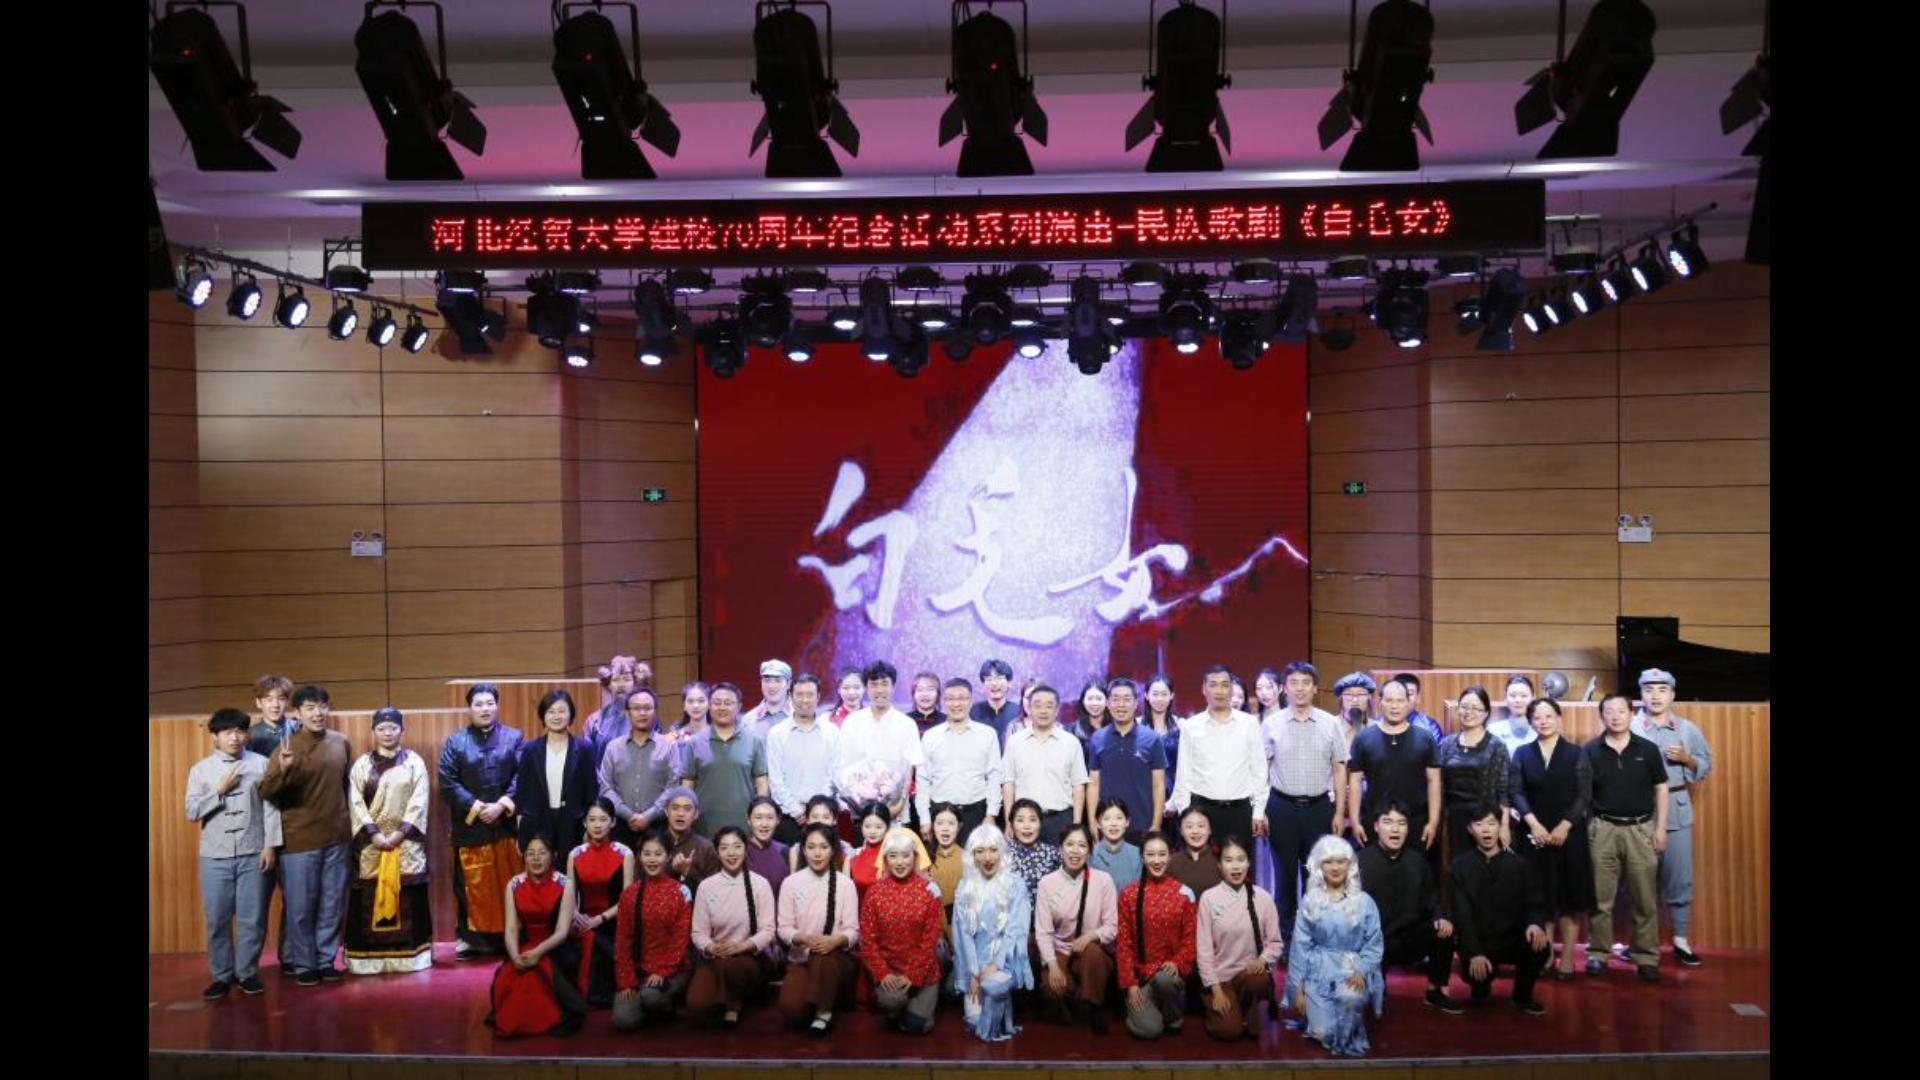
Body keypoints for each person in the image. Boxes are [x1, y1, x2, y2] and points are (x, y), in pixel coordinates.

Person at [260, 685, 353, 986]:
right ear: (297, 713)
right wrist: (283, 771)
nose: (318, 713)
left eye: (323, 706)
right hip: (299, 840)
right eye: (310, 708)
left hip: (337, 837)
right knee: (300, 908)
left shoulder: (340, 742)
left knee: (332, 904)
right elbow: (267, 792)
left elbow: (346, 787)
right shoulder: (286, 747)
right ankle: (303, 963)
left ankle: (325, 960)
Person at [186, 707, 281, 999]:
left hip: (254, 852)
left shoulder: (261, 764)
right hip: (215, 856)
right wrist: (219, 790)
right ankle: (221, 976)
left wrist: (270, 845)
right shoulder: (200, 770)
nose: (235, 737)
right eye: (227, 732)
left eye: (240, 731)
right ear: (215, 736)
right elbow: (191, 811)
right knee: (217, 918)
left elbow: (271, 807)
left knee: (252, 918)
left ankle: (247, 973)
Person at [1631, 667, 1713, 967]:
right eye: (1649, 690)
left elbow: (1706, 765)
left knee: (1679, 879)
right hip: (1638, 811)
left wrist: (1687, 759)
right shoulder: (1630, 725)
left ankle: (1680, 940)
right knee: (1639, 882)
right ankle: (1642, 943)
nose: (1655, 695)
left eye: (1662, 690)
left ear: (1672, 695)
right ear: (1641, 695)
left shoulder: (1687, 729)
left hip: (1677, 811)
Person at [1585, 691, 1670, 982]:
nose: (1615, 716)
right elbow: (1582, 794)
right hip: (1603, 829)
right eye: (1609, 711)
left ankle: (1646, 957)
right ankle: (1598, 954)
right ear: (1601, 716)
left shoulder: (1648, 749)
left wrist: (1660, 828)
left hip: (1641, 829)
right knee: (1600, 899)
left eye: (1621, 711)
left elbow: (1661, 787)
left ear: (1632, 714)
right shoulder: (1590, 750)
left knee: (1644, 899)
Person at [344, 707, 433, 976]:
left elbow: (419, 800)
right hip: (371, 845)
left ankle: (412, 957)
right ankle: (366, 959)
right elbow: (355, 803)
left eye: (393, 728)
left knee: (409, 897)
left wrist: (398, 834)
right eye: (381, 728)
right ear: (373, 731)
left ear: (402, 731)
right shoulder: (362, 765)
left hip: (406, 844)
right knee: (367, 897)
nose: (387, 733)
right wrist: (374, 833)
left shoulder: (414, 762)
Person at [1262, 661, 1349, 934]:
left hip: (1319, 808)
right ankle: (1285, 938)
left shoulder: (1330, 723)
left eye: (1306, 683)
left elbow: (1340, 768)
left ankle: (1315, 935)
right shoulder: (1271, 724)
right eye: (1294, 683)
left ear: (1315, 688)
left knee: (1317, 876)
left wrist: (1339, 813)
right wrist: (1260, 811)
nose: (1299, 689)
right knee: (1284, 878)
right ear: (1284, 688)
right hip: (1281, 808)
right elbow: (1261, 770)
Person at [1510, 697, 1594, 980]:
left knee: (1570, 897)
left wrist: (1564, 826)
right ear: (1530, 722)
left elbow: (1584, 794)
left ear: (1559, 718)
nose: (1543, 721)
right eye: (1537, 717)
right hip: (1534, 834)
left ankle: (1568, 957)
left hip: (1569, 833)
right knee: (1540, 898)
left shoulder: (1576, 753)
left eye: (1549, 716)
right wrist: (1533, 824)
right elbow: (1516, 791)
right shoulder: (1522, 753)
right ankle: (1544, 954)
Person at [441, 683, 525, 961]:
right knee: (471, 886)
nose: (485, 709)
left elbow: (523, 775)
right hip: (471, 827)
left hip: (506, 826)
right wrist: (477, 807)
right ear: (469, 708)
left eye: (490, 703)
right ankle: (470, 939)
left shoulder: (514, 737)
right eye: (478, 704)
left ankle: (512, 936)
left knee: (509, 882)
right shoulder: (456, 742)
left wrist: (502, 805)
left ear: (497, 706)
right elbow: (447, 782)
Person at [1284, 836, 1385, 1057]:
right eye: (1328, 862)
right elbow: (1300, 948)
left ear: (1350, 865)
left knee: (1348, 1000)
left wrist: (1362, 970)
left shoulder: (1364, 901)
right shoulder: (1310, 901)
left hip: (1352, 969)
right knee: (1323, 1033)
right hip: (1318, 972)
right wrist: (1297, 989)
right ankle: (1318, 1013)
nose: (1335, 867)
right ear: (1319, 866)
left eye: (1340, 861)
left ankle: (1351, 1019)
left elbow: (1374, 943)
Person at [1448, 804, 1551, 1014]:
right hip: (1478, 941)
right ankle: (1481, 985)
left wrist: (1534, 923)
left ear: (1500, 827)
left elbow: (1533, 901)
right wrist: (1475, 952)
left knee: (1539, 946)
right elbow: (1462, 913)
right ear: (1470, 829)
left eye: (1491, 823)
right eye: (1479, 824)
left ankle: (1522, 996)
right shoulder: (1459, 867)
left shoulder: (1519, 865)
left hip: (1510, 939)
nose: (1486, 830)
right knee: (1479, 987)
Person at [1357, 805, 1461, 1013]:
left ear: (1408, 828)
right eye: (1388, 822)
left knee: (1443, 930)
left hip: (1409, 938)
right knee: (1371, 999)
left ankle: (1435, 991)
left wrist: (1440, 917)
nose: (1395, 829)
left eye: (1401, 823)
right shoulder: (1360, 861)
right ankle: (1375, 985)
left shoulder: (1418, 862)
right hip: (1373, 942)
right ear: (1376, 826)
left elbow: (1432, 900)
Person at [487, 835, 586, 1037]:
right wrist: (515, 956)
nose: (536, 858)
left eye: (542, 853)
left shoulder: (565, 884)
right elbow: (511, 928)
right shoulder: (514, 884)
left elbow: (562, 931)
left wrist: (537, 953)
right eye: (530, 854)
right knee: (516, 975)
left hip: (555, 946)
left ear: (553, 856)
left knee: (541, 972)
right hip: (525, 945)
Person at [859, 825, 947, 1035]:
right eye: (893, 856)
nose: (900, 862)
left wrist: (912, 974)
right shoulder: (874, 893)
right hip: (890, 969)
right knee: (893, 1000)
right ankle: (897, 1009)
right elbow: (868, 939)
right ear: (886, 859)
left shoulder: (929, 891)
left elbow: (930, 940)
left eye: (905, 856)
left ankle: (911, 1010)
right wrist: (883, 972)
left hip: (923, 969)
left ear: (914, 858)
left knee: (918, 1026)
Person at [687, 826, 779, 1027]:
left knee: (733, 967)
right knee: (697, 1005)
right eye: (725, 848)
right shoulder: (706, 886)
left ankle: (734, 1004)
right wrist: (710, 947)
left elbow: (768, 930)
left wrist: (742, 946)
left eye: (737, 846)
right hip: (716, 955)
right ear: (717, 852)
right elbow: (698, 932)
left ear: (745, 850)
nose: (731, 853)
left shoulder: (760, 884)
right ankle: (731, 994)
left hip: (748, 956)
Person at [951, 823, 1034, 1042]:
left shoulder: (1016, 885)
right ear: (972, 855)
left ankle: (1002, 997)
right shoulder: (965, 887)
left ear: (1002, 852)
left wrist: (996, 965)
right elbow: (963, 935)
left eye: (993, 850)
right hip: (975, 966)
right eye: (980, 851)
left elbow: (1016, 931)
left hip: (1004, 962)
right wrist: (974, 973)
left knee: (994, 991)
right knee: (975, 1022)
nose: (987, 858)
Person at [1168, 666, 1267, 849]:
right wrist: (1186, 815)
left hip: (1240, 811)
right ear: (1204, 689)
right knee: (1202, 866)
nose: (1219, 691)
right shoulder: (1191, 726)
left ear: (1231, 689)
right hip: (1202, 811)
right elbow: (1184, 775)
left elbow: (1259, 771)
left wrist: (1258, 811)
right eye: (1213, 685)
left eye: (1224, 685)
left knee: (1240, 866)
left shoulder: (1249, 724)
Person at [777, 823, 862, 1034]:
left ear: (832, 850)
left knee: (822, 955)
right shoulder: (790, 883)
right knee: (792, 1011)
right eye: (811, 847)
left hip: (834, 959)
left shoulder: (845, 884)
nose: (817, 853)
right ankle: (821, 999)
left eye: (823, 847)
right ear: (803, 850)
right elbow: (783, 928)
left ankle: (824, 1011)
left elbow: (853, 931)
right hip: (801, 959)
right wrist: (802, 937)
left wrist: (835, 941)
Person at [1034, 824, 1119, 1034]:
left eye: (1082, 845)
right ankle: (1078, 999)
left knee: (1093, 953)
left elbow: (1112, 926)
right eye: (1069, 844)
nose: (1075, 850)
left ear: (1089, 851)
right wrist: (1052, 965)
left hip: (1090, 953)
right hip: (1060, 951)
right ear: (1060, 848)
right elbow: (1043, 932)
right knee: (1052, 990)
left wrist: (1091, 936)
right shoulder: (1047, 883)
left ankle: (1095, 1005)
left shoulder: (1103, 880)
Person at [1196, 836, 1283, 1041]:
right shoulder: (1209, 898)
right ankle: (1223, 1010)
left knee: (1258, 979)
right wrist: (1216, 990)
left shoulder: (1262, 897)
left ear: (1249, 863)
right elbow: (1204, 951)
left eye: (1241, 859)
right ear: (1220, 865)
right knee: (1230, 1032)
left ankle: (1246, 1008)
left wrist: (1263, 959)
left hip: (1248, 976)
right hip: (1220, 980)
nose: (1235, 866)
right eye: (1229, 860)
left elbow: (1275, 943)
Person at [1346, 679, 1441, 862]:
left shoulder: (1425, 738)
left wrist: (1433, 821)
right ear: (1379, 702)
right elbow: (1355, 781)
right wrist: (1355, 821)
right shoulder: (1364, 738)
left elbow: (1434, 782)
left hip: (1416, 822)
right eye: (1389, 700)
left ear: (1408, 702)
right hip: (1376, 821)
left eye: (1400, 700)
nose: (1394, 706)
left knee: (1415, 873)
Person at [1115, 833, 1197, 1040]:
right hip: (1141, 975)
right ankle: (1146, 1007)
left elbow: (1190, 938)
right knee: (1149, 1030)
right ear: (1142, 857)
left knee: (1164, 980)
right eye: (1150, 854)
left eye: (1162, 854)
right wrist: (1130, 984)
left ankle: (1173, 1011)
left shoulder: (1184, 893)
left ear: (1170, 856)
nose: (1157, 860)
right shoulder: (1129, 894)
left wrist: (1178, 961)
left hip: (1168, 974)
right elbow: (1123, 943)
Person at [612, 832, 694, 1031]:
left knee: (651, 997)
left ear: (668, 857)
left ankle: (665, 1006)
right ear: (639, 857)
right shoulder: (629, 894)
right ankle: (645, 1005)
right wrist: (626, 980)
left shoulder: (680, 892)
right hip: (639, 972)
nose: (652, 859)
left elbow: (680, 939)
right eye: (647, 854)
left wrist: (662, 971)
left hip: (672, 971)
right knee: (623, 1021)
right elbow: (623, 939)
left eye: (658, 854)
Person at [563, 801, 634, 1006]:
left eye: (603, 819)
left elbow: (626, 900)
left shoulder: (625, 854)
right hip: (582, 922)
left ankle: (592, 995)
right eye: (592, 819)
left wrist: (599, 919)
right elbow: (570, 897)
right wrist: (576, 915)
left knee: (595, 940)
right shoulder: (575, 854)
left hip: (614, 922)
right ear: (584, 823)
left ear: (613, 822)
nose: (597, 825)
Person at [916, 678, 1002, 844]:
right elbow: (923, 780)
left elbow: (994, 777)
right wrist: (925, 819)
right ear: (943, 701)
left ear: (971, 701)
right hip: (940, 815)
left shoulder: (987, 734)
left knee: (975, 859)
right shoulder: (931, 736)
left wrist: (991, 815)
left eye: (962, 698)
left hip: (976, 813)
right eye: (950, 699)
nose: (956, 704)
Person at [679, 682, 770, 837]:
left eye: (728, 703)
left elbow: (762, 782)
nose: (722, 707)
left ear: (739, 706)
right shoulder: (694, 742)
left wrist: (760, 816)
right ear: (709, 706)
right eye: (717, 703)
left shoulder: (754, 740)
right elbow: (687, 784)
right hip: (703, 825)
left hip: (744, 824)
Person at [838, 661, 925, 822]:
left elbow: (911, 770)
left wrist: (899, 804)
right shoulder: (852, 722)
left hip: (896, 811)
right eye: (874, 684)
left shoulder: (906, 724)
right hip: (860, 813)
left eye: (885, 684)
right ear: (866, 688)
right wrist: (857, 801)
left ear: (893, 687)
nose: (879, 690)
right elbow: (844, 767)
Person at [515, 689, 597, 856]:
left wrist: (589, 828)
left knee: (570, 869)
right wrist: (521, 831)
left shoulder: (584, 749)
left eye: (561, 711)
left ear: (570, 714)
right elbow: (521, 795)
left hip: (573, 825)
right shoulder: (531, 749)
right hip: (537, 823)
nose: (556, 716)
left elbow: (591, 793)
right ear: (543, 716)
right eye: (551, 711)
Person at [597, 688, 682, 850]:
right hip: (620, 826)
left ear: (655, 711)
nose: (642, 713)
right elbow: (605, 787)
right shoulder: (613, 747)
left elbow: (673, 786)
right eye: (636, 708)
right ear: (627, 713)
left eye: (647, 708)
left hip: (658, 826)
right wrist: (628, 815)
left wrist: (649, 816)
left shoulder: (669, 746)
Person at [1000, 684, 1087, 841]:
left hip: (1060, 820)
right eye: (1038, 705)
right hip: (1024, 821)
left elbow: (1078, 785)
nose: (1043, 711)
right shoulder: (1015, 742)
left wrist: (1076, 824)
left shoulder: (1071, 742)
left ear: (1057, 709)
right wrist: (1008, 821)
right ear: (1029, 708)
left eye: (1049, 706)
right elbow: (1008, 783)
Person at [1086, 678, 1167, 845]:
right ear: (1108, 704)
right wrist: (1092, 822)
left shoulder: (1152, 739)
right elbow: (1093, 783)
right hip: (1107, 824)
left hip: (1142, 825)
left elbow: (1158, 785)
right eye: (1115, 699)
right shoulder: (1097, 738)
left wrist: (1156, 824)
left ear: (1136, 703)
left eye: (1127, 699)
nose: (1121, 705)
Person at [1437, 686, 1512, 859]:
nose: (1468, 712)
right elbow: (1439, 785)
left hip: (1485, 820)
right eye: (1464, 706)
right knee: (1456, 867)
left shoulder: (1497, 746)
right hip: (1454, 819)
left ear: (1486, 713)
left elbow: (1504, 791)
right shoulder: (1447, 744)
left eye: (1476, 708)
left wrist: (1504, 825)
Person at [766, 673, 841, 845]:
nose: (804, 700)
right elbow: (776, 779)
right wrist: (796, 810)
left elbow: (834, 775)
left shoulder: (832, 732)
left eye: (810, 694)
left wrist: (816, 810)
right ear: (790, 697)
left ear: (818, 697)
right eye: (799, 695)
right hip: (789, 817)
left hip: (824, 817)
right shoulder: (777, 733)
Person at [658, 787, 720, 892]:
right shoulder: (653, 844)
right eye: (675, 808)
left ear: (696, 814)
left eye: (687, 809)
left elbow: (713, 891)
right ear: (666, 811)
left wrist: (687, 872)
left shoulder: (706, 848)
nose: (680, 814)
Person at [585, 655, 642, 766]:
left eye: (627, 680)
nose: (621, 685)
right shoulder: (594, 721)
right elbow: (587, 760)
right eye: (615, 680)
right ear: (609, 685)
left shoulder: (646, 718)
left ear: (635, 684)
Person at [1005, 798, 1063, 902]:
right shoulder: (1003, 854)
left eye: (1033, 820)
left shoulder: (1053, 854)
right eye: (1020, 820)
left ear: (1040, 823)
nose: (1027, 826)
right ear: (1012, 824)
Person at [926, 804, 967, 930]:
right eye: (939, 823)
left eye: (951, 823)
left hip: (960, 926)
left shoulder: (968, 858)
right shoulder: (924, 859)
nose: (945, 828)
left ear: (959, 826)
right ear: (932, 826)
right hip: (931, 927)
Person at [1168, 806, 1224, 896]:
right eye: (1189, 826)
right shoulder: (1172, 862)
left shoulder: (1221, 860)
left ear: (1210, 830)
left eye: (1201, 826)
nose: (1195, 831)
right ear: (1181, 831)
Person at [1089, 798, 1143, 889]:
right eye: (1107, 818)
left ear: (1127, 822)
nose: (1113, 824)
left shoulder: (1138, 854)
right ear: (1098, 823)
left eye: (1119, 818)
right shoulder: (1090, 855)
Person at [743, 796, 791, 897]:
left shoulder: (785, 851)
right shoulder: (740, 852)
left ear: (778, 820)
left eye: (770, 818)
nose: (764, 824)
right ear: (748, 820)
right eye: (758, 818)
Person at [970, 659, 1021, 747]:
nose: (994, 683)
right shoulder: (972, 712)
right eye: (989, 679)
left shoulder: (1019, 712)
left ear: (1009, 683)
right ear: (983, 685)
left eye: (999, 678)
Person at [742, 659, 794, 741]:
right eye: (767, 680)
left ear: (788, 684)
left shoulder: (799, 715)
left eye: (778, 681)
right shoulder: (749, 720)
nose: (771, 686)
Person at [1388, 673, 1445, 744]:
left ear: (1418, 698)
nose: (1404, 697)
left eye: (1409, 694)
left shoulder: (1430, 726)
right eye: (1400, 693)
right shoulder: (1378, 724)